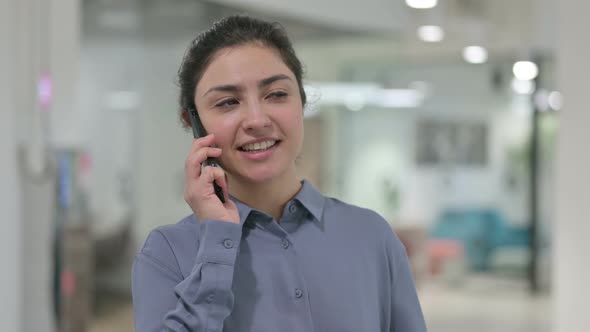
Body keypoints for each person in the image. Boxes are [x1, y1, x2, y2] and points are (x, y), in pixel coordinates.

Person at [132, 15, 427, 332]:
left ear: (301, 101)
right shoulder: (168, 253)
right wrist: (217, 244)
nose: (257, 120)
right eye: (228, 102)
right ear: (194, 123)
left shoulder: (372, 237)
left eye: (276, 94)